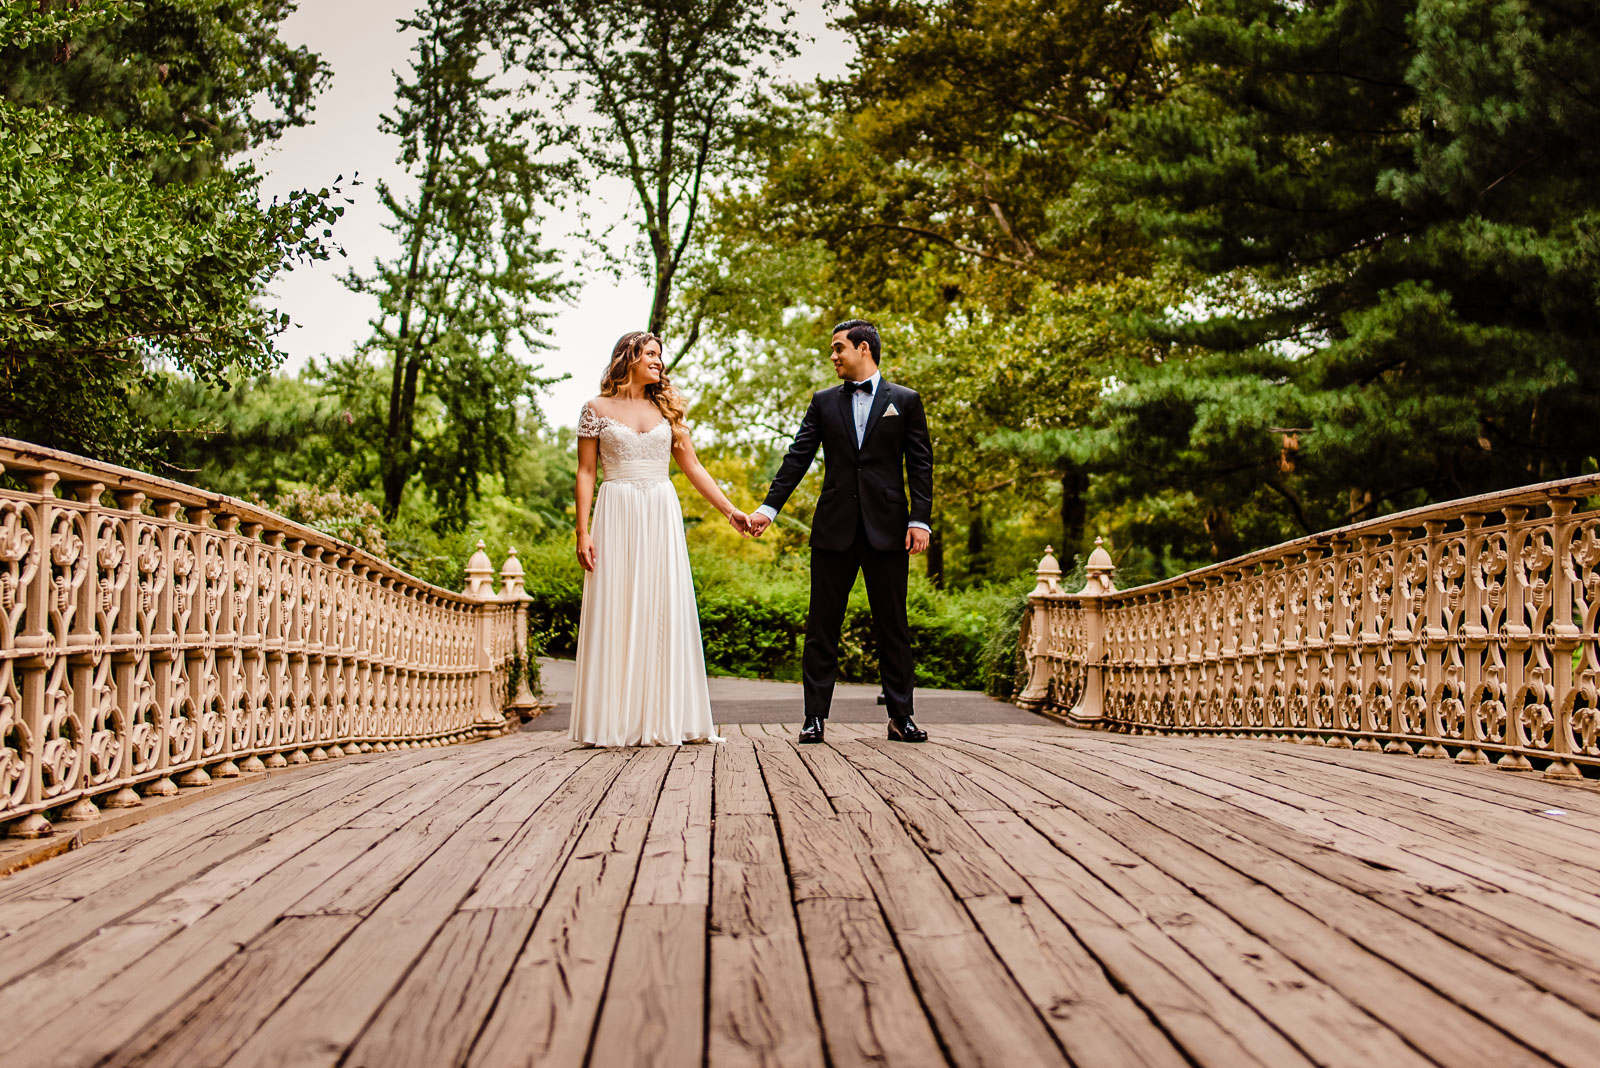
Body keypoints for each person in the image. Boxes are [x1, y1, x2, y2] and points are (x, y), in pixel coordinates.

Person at [748, 319, 934, 744]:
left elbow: (920, 464)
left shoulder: (905, 401)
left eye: (838, 348)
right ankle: (814, 717)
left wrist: (919, 519)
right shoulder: (823, 401)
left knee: (893, 625)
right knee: (822, 625)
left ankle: (901, 716)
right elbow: (798, 457)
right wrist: (768, 509)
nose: (833, 357)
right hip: (834, 529)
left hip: (889, 530)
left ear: (863, 348)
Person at [569, 331, 749, 746]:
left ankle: (664, 717)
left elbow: (694, 468)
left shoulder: (666, 412)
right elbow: (586, 472)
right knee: (617, 605)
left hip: (660, 513)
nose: (658, 362)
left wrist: (731, 510)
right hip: (615, 511)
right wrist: (583, 530)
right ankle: (614, 721)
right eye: (650, 354)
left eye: (660, 356)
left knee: (662, 607)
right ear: (628, 357)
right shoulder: (594, 409)